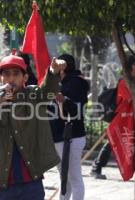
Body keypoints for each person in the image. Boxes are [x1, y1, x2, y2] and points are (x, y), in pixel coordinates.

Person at [0, 49, 63, 200]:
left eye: (16, 74)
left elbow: (48, 90)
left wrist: (53, 72)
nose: (11, 78)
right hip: (3, 184)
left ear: (25, 77)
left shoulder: (33, 95)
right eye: (7, 74)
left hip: (31, 182)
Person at [48, 54, 89, 200]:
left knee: (74, 179)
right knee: (65, 179)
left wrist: (63, 99)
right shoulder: (63, 83)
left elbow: (76, 111)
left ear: (63, 68)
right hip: (61, 137)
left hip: (71, 136)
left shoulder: (75, 83)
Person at [90, 55, 135, 179]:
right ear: (131, 66)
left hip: (132, 117)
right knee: (112, 141)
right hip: (121, 118)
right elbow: (130, 98)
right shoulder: (124, 82)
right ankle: (96, 167)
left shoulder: (134, 81)